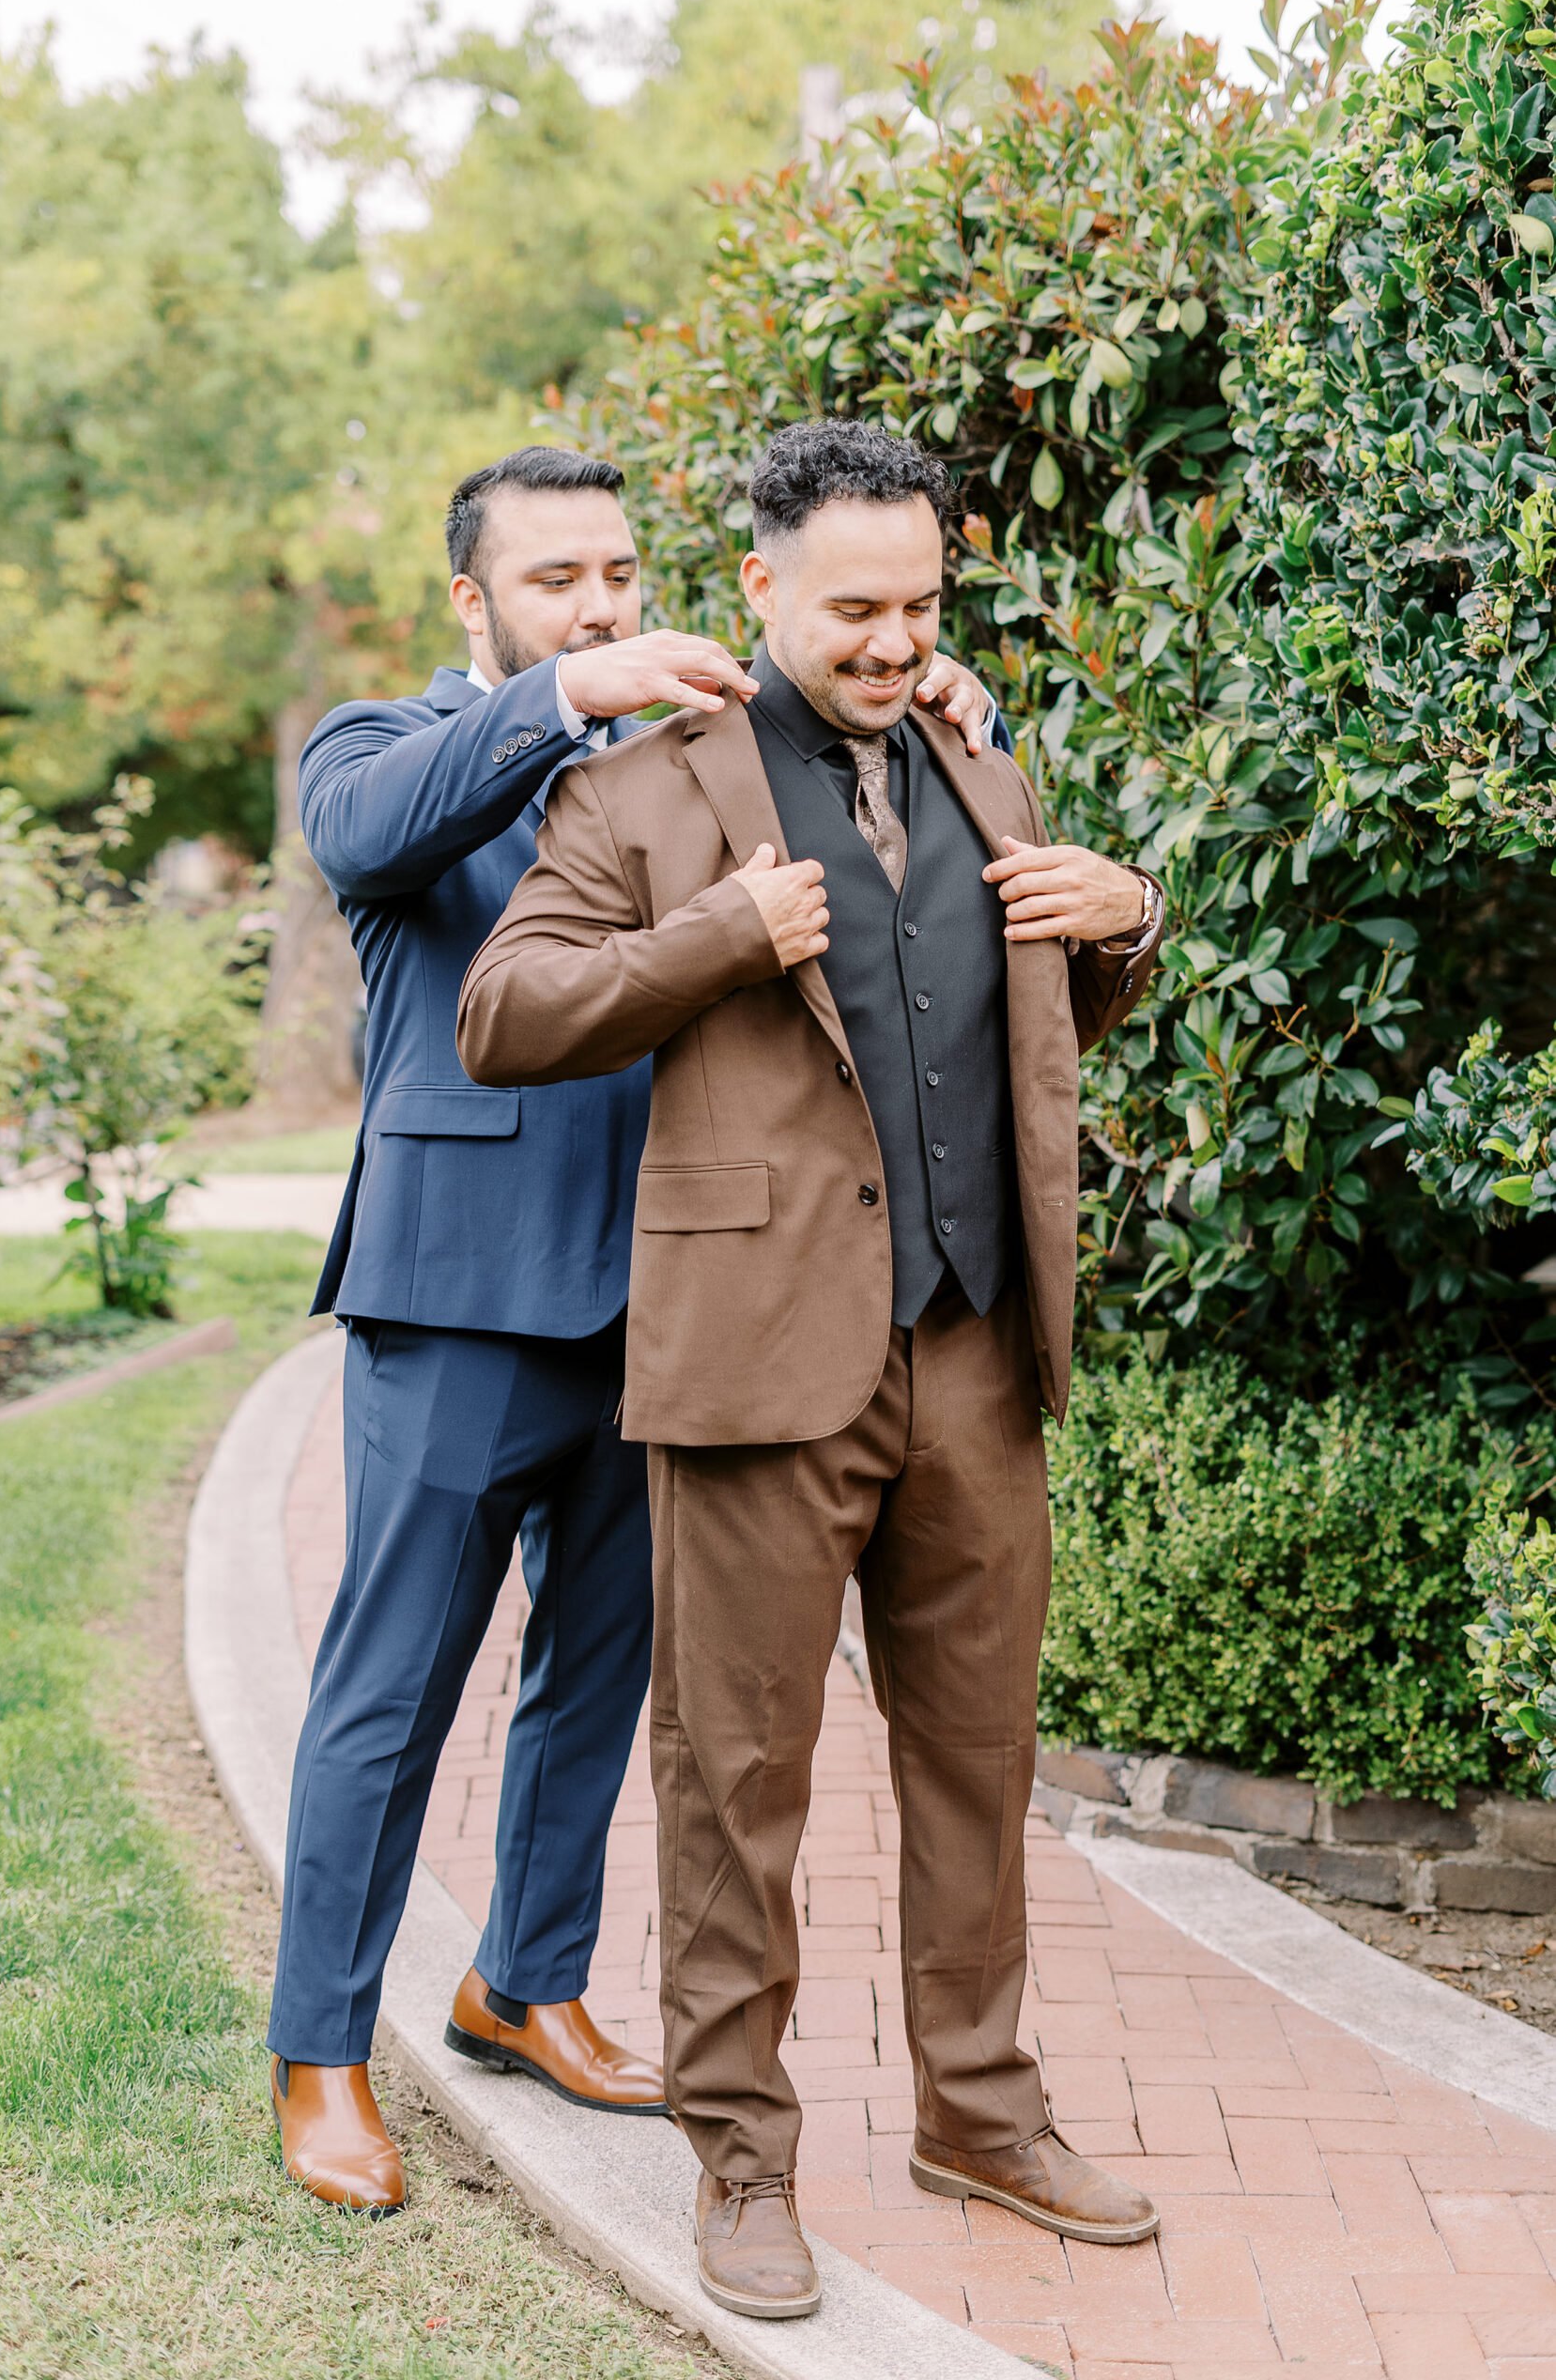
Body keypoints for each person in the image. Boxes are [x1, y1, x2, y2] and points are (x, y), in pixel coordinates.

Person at [456, 420, 1165, 2317]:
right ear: (757, 586)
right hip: (760, 1359)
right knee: (731, 1775)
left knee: (975, 1759)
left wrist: (1125, 927)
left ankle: (979, 2107)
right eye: (854, 605)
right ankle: (740, 2157)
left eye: (919, 600)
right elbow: (501, 1011)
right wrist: (711, 935)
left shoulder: (971, 750)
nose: (891, 637)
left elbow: (998, 989)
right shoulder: (647, 791)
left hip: (975, 1352)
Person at [268, 441, 1006, 2215]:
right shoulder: (384, 749)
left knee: (598, 1684)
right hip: (456, 1301)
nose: (600, 605)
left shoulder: (701, 762)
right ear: (476, 602)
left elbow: (848, 750)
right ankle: (319, 2051)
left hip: (672, 1315)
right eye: (555, 582)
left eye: (616, 575)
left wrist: (928, 707)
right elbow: (377, 842)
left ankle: (525, 1986)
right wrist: (560, 697)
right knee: (393, 1688)